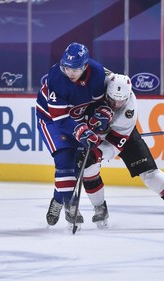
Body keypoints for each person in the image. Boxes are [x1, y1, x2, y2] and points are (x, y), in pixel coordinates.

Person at [82, 74, 164, 230]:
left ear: (127, 97)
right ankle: (99, 207)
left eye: (120, 101)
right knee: (88, 169)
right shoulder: (100, 80)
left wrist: (98, 154)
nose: (115, 104)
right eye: (112, 99)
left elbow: (115, 147)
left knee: (152, 177)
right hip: (92, 131)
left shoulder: (129, 111)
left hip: (121, 136)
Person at [35, 42, 113, 229]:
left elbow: (98, 103)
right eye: (67, 67)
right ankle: (71, 207)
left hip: (78, 118)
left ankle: (58, 199)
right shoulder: (56, 77)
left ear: (85, 65)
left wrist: (101, 115)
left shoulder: (97, 74)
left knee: (78, 164)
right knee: (64, 160)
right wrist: (81, 131)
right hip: (51, 120)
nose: (70, 72)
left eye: (76, 68)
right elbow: (60, 119)